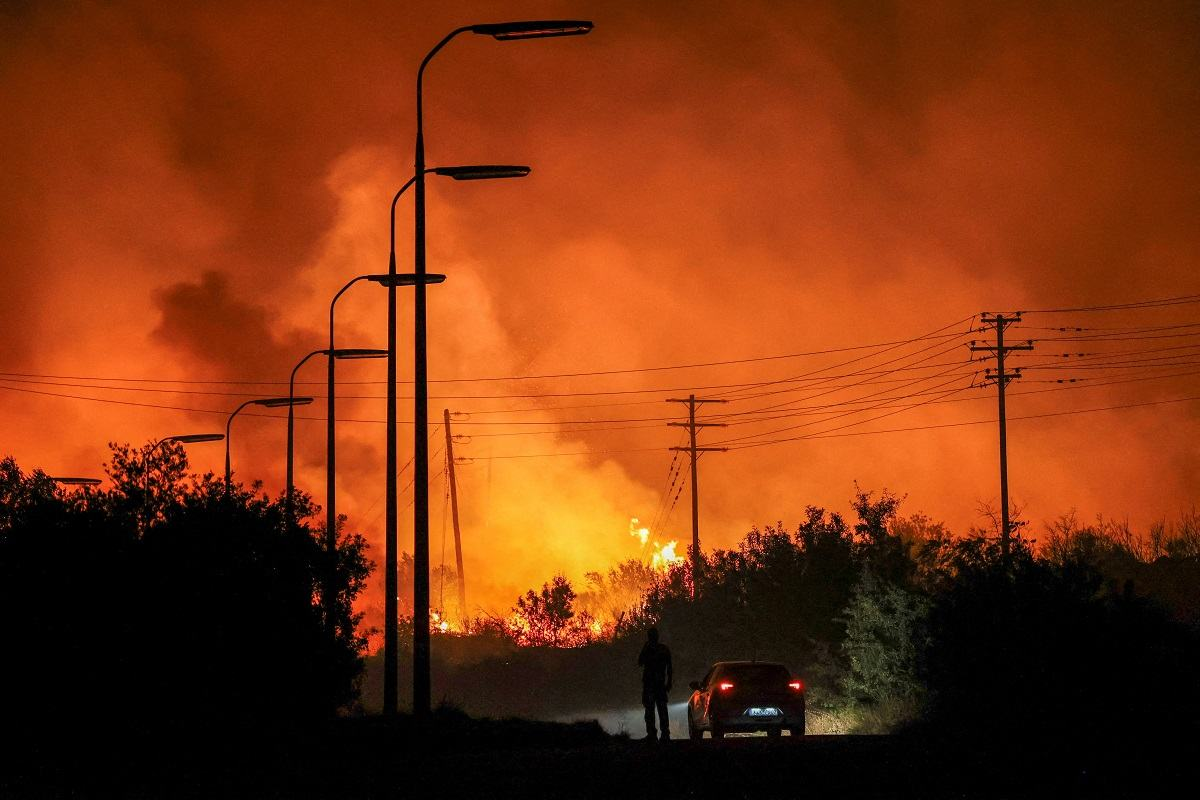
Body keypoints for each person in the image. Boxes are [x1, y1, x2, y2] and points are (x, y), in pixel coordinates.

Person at [637, 626, 672, 741]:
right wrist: (669, 682)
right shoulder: (663, 649)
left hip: (652, 685)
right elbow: (669, 668)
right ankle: (662, 734)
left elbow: (640, 662)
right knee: (657, 710)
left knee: (653, 710)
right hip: (657, 685)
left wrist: (669, 681)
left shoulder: (652, 649)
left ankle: (655, 734)